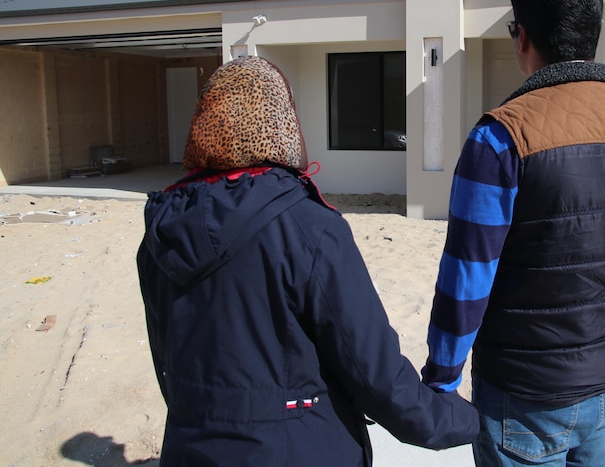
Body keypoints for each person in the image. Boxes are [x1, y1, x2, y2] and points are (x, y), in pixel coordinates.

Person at [137, 55, 478, 466]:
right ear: (284, 126)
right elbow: (374, 373)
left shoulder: (161, 229)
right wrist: (461, 419)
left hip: (191, 449)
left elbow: (167, 367)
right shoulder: (309, 228)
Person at [422, 0, 605, 467]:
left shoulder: (499, 136)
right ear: (594, 35)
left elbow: (467, 278)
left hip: (523, 388)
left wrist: (441, 377)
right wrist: (598, 291)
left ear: (522, 37)